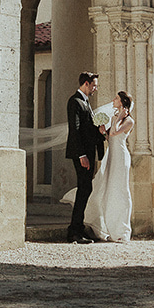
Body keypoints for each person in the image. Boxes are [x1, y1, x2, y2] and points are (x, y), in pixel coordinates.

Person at [87, 91, 134, 243]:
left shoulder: (129, 121)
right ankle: (109, 227)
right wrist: (102, 131)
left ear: (122, 102)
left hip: (121, 157)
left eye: (116, 99)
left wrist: (119, 118)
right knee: (109, 189)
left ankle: (122, 230)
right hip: (112, 156)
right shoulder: (115, 117)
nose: (113, 100)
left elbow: (114, 132)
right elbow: (109, 137)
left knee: (120, 190)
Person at [65, 71, 103, 244]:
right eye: (94, 85)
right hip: (81, 154)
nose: (95, 88)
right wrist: (82, 155)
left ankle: (77, 228)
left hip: (88, 152)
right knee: (83, 189)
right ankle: (74, 232)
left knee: (86, 189)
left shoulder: (86, 101)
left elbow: (88, 129)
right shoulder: (75, 101)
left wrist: (101, 132)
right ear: (86, 83)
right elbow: (75, 130)